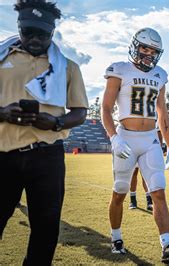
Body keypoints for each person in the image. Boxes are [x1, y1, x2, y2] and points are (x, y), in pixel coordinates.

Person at [0, 1, 88, 264]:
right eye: (28, 33)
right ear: (19, 28)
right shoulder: (2, 57)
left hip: (46, 157)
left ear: (52, 32)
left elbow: (79, 112)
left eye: (43, 34)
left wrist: (55, 123)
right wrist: (3, 113)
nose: (35, 39)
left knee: (46, 229)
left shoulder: (68, 66)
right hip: (3, 156)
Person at [101, 28, 169, 263]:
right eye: (145, 48)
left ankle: (167, 244)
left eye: (154, 51)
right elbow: (106, 108)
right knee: (120, 191)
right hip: (125, 137)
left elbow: (163, 112)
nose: (149, 54)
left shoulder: (160, 74)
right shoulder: (119, 69)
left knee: (158, 191)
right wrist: (114, 137)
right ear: (135, 46)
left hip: (150, 139)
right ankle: (116, 237)